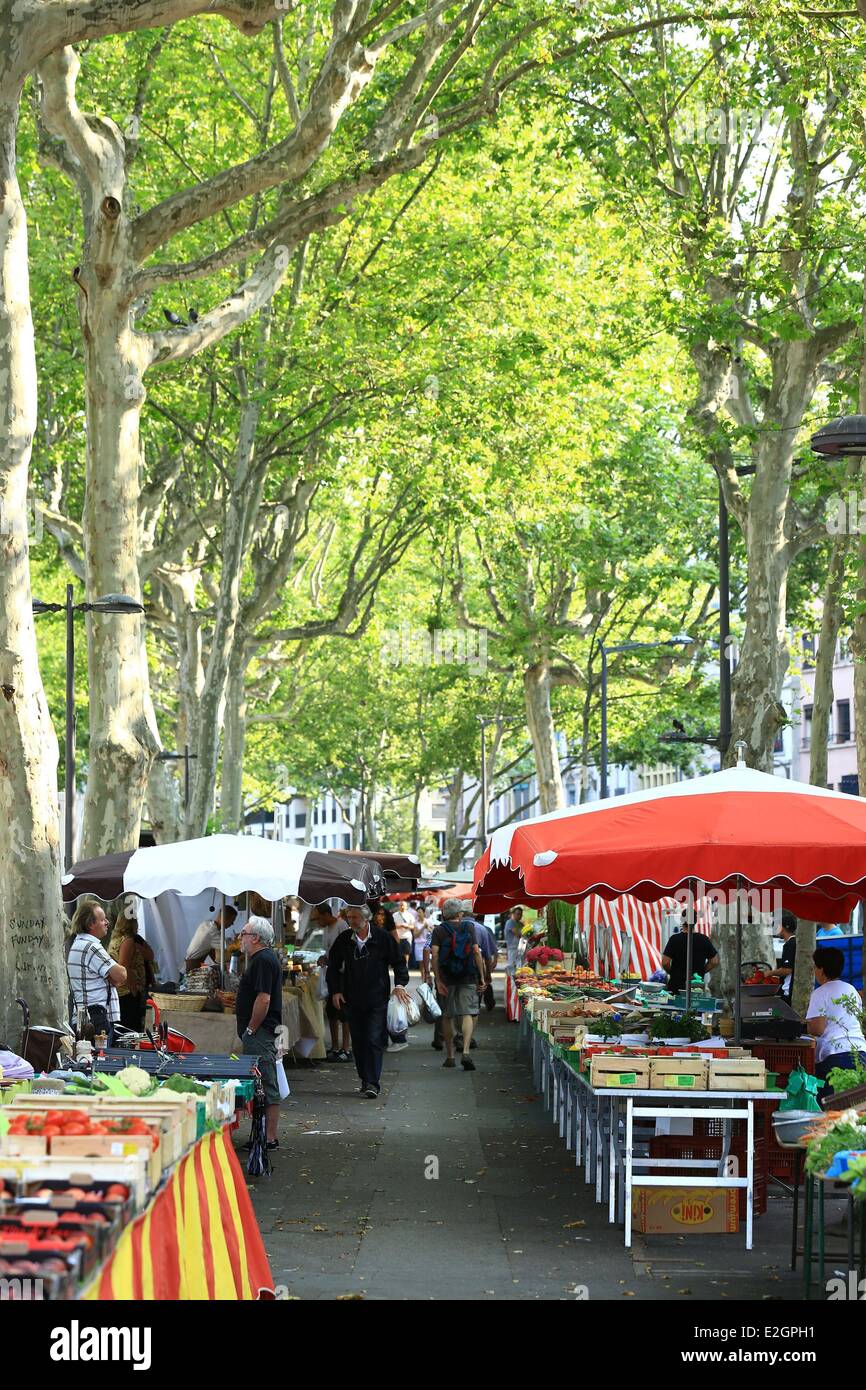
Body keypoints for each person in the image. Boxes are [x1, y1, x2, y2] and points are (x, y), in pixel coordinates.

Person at [327, 905, 411, 1099]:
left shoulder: (382, 938)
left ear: (366, 919)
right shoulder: (345, 940)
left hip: (377, 997)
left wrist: (399, 984)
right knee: (358, 1040)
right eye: (349, 917)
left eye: (355, 918)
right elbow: (333, 966)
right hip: (352, 998)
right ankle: (365, 1078)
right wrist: (336, 991)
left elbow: (399, 963)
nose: (351, 921)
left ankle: (373, 1082)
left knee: (374, 1038)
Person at [236, 917, 283, 1149]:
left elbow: (264, 999)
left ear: (255, 937)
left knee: (265, 1083)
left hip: (261, 1032)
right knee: (259, 1085)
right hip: (260, 1032)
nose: (240, 938)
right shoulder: (261, 959)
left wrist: (251, 1028)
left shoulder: (263, 960)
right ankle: (262, 1135)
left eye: (243, 933)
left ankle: (269, 1138)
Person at [432, 899, 486, 1071]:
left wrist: (438, 979)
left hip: (447, 978)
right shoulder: (469, 927)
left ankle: (449, 1056)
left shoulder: (438, 930)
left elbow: (434, 955)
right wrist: (482, 977)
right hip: (467, 976)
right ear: (459, 914)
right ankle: (466, 1050)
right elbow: (476, 952)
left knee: (447, 1016)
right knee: (468, 1013)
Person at [805, 946, 866, 1089]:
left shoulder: (820, 993)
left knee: (831, 1107)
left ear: (821, 970)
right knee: (855, 1107)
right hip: (860, 1053)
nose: (814, 971)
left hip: (835, 1057)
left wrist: (802, 1025)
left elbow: (818, 1029)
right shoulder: (851, 989)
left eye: (815, 967)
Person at [67, 899, 126, 1044]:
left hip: (84, 1018)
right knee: (100, 1063)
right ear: (90, 924)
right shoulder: (92, 947)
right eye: (102, 919)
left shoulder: (78, 944)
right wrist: (118, 969)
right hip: (96, 1019)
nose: (107, 922)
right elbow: (121, 975)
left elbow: (115, 979)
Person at [108, 911, 156, 1033]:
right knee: (130, 1027)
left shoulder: (115, 939)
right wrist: (133, 989)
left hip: (120, 990)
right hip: (127, 991)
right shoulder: (128, 940)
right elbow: (125, 966)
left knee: (124, 1026)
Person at [317, 905, 352, 1063]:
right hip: (331, 973)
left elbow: (344, 951)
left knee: (343, 1012)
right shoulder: (326, 929)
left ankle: (346, 1048)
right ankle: (335, 1047)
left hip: (343, 975)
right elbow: (328, 950)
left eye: (318, 918)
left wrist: (332, 960)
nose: (318, 922)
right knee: (332, 1011)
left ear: (325, 915)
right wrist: (324, 958)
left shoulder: (341, 925)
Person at [661, 915, 719, 993]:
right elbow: (714, 961)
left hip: (676, 985)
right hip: (696, 985)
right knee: (695, 1003)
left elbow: (665, 962)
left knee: (675, 1004)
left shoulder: (674, 939)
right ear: (695, 921)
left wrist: (673, 973)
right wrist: (701, 971)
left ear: (682, 920)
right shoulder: (704, 939)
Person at [185, 904, 238, 973]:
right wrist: (239, 940)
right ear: (225, 919)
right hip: (192, 966)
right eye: (232, 921)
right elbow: (230, 947)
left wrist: (216, 963)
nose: (232, 924)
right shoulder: (212, 932)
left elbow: (211, 947)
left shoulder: (207, 924)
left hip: (191, 962)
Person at [774, 911, 797, 1002]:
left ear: (782, 928)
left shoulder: (790, 945)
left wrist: (769, 973)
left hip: (788, 991)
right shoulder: (795, 942)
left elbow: (787, 970)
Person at [391, 900, 416, 974]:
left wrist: (407, 926)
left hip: (407, 937)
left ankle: (405, 967)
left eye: (403, 905)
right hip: (397, 937)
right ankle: (398, 968)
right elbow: (391, 926)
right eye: (401, 905)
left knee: (406, 953)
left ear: (406, 906)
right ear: (399, 906)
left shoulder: (409, 915)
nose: (402, 907)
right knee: (398, 953)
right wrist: (399, 925)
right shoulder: (394, 915)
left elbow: (413, 926)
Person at [504, 907, 525, 974]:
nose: (519, 916)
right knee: (512, 966)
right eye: (518, 914)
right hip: (512, 948)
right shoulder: (510, 922)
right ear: (513, 914)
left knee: (520, 966)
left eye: (521, 914)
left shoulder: (521, 924)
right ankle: (511, 982)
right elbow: (518, 934)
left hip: (520, 947)